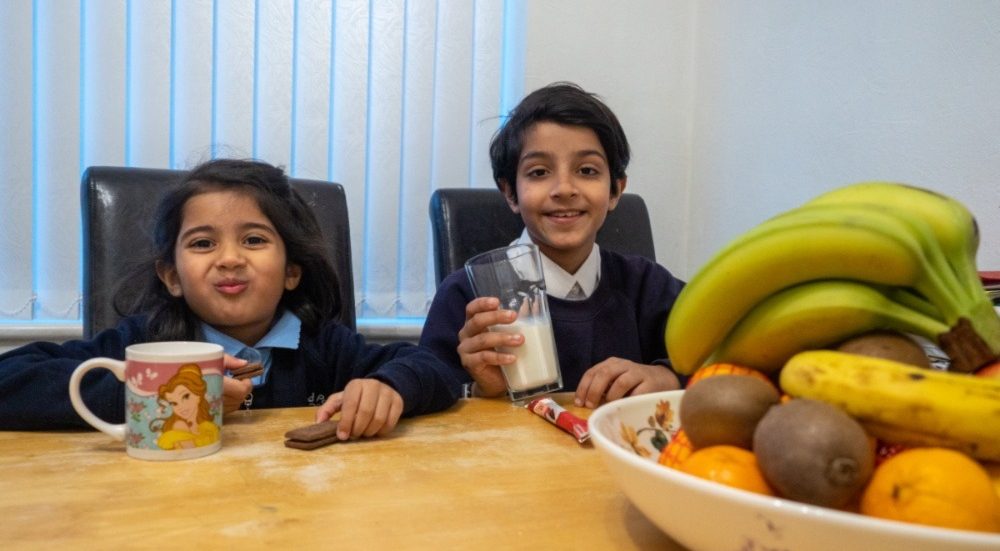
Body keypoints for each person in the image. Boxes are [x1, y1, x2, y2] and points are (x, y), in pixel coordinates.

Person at [0, 158, 459, 438]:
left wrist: (388, 387)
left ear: (292, 272)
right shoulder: (144, 345)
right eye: (203, 243)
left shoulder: (325, 347)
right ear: (172, 277)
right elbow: (10, 380)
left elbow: (435, 368)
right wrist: (151, 398)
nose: (229, 259)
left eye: (255, 240)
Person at [420, 82, 686, 408]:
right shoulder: (465, 295)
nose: (564, 188)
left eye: (587, 170)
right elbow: (426, 394)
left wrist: (668, 377)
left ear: (615, 190)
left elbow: (728, 355)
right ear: (510, 193)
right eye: (539, 172)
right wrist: (478, 391)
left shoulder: (648, 286)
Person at [153, 364, 220, 450]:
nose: (181, 407)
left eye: (186, 396)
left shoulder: (208, 427)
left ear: (198, 396)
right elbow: (192, 451)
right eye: (174, 403)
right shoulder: (179, 425)